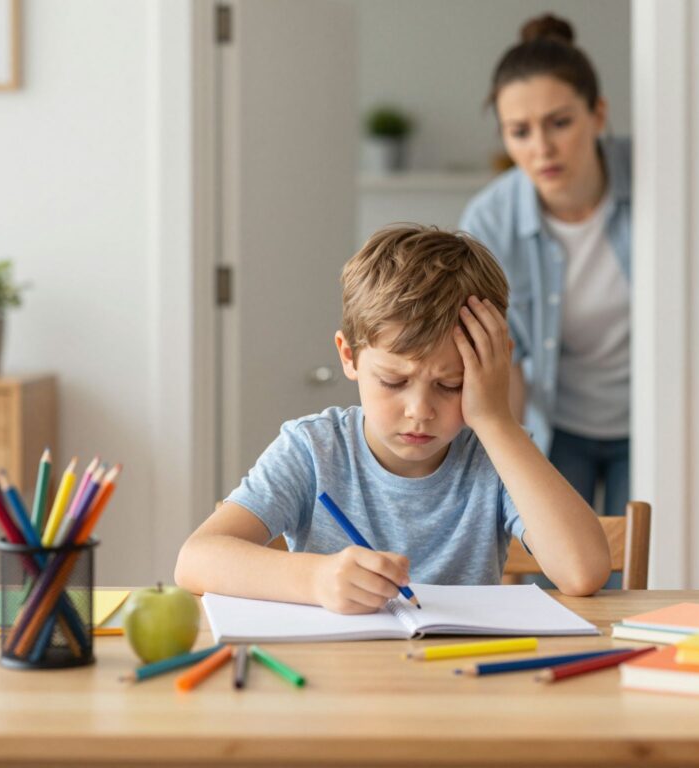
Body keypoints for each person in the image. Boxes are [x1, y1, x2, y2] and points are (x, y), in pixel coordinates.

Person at [175, 225, 610, 613]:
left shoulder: (496, 453)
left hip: (460, 682)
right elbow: (196, 559)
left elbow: (582, 571)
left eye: (451, 385)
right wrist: (315, 579)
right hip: (335, 683)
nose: (419, 410)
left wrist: (496, 419)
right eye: (394, 380)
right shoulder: (314, 448)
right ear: (349, 356)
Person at [459, 14, 631, 527]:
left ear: (598, 114)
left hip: (651, 423)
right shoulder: (489, 220)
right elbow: (500, 359)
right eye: (520, 132)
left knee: (642, 569)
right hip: (557, 425)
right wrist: (504, 462)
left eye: (559, 123)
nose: (542, 148)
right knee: (554, 568)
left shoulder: (659, 182)